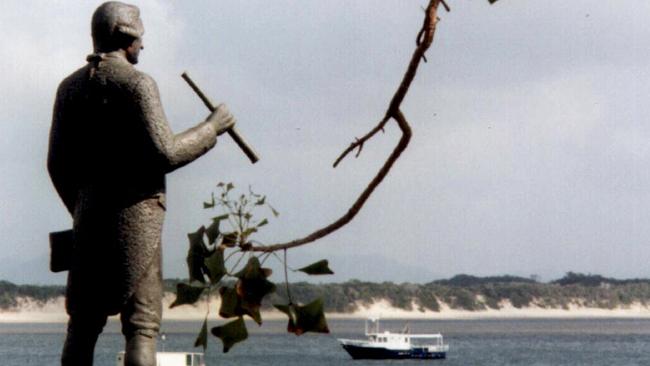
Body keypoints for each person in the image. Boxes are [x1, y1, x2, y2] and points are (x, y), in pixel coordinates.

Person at [47, 2, 235, 365]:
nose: (143, 45)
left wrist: (83, 208)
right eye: (140, 37)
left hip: (88, 221)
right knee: (142, 327)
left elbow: (56, 164)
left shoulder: (68, 88)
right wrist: (211, 128)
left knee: (82, 327)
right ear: (124, 34)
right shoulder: (137, 84)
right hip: (138, 221)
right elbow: (165, 153)